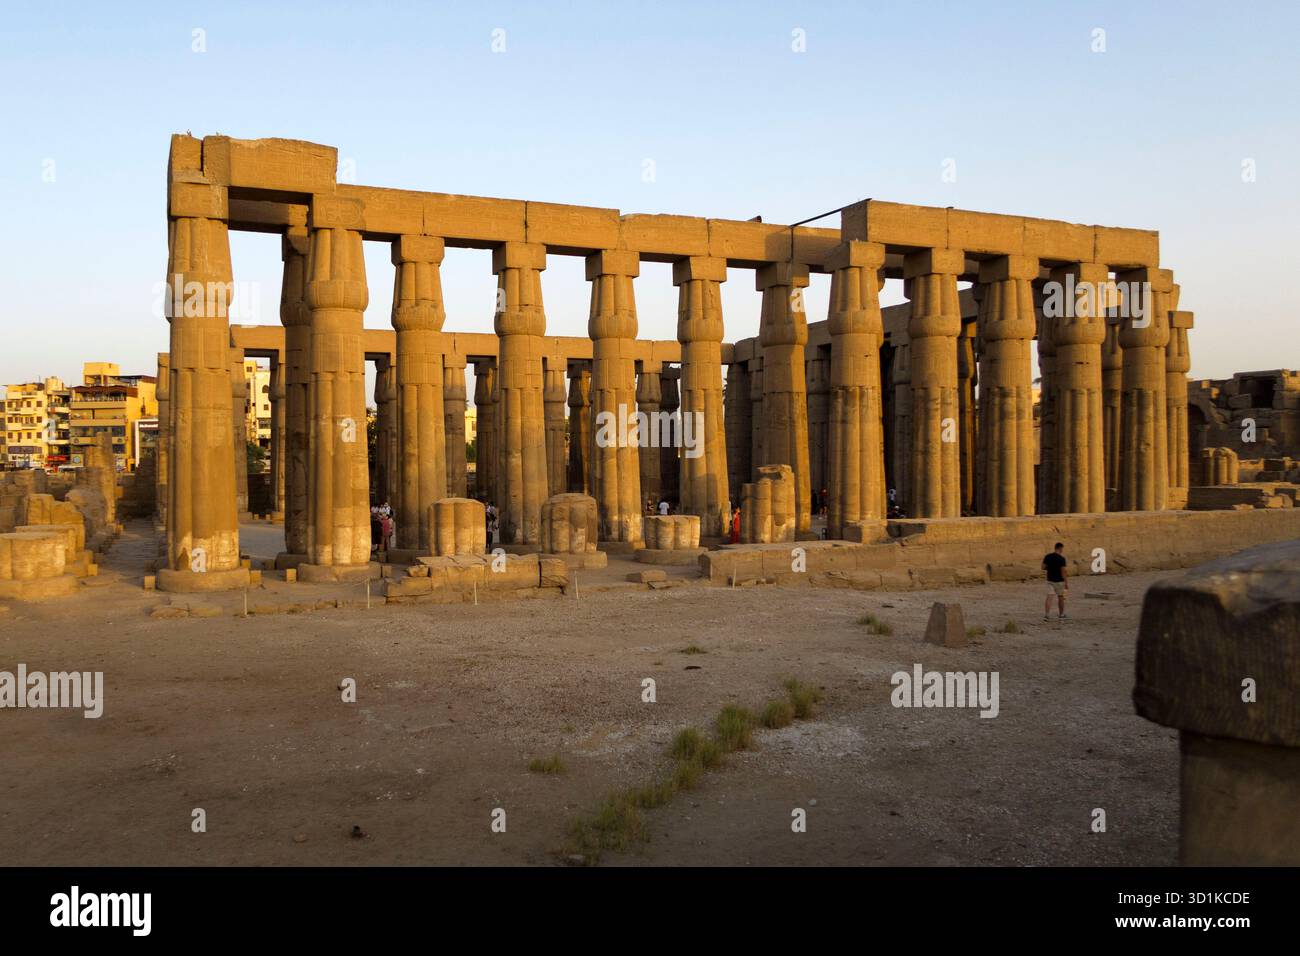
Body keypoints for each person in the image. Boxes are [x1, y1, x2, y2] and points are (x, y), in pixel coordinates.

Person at [1042, 541, 1069, 621]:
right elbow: (1063, 571)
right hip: (1059, 581)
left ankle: (1047, 615)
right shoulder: (1061, 559)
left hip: (1050, 580)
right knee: (1061, 597)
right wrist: (1066, 582)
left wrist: (1050, 568)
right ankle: (1061, 614)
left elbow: (1043, 567)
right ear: (1060, 548)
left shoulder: (1048, 556)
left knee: (1049, 597)